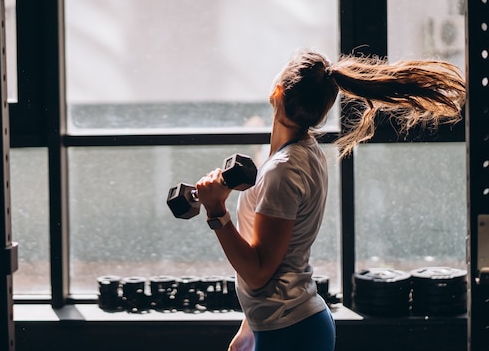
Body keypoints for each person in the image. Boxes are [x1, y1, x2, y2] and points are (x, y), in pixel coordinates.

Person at [195, 49, 466, 351]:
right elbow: (282, 258)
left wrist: (216, 210)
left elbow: (259, 274)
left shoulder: (283, 170)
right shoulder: (304, 152)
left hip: (289, 331)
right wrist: (250, 328)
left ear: (277, 91)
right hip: (283, 325)